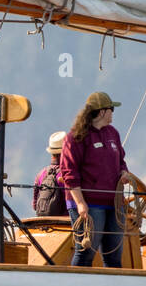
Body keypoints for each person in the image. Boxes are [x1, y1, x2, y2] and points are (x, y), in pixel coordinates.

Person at [59, 91, 136, 268]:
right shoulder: (75, 137)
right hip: (89, 204)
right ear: (102, 112)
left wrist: (124, 173)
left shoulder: (113, 133)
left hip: (113, 204)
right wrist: (80, 203)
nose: (113, 113)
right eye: (111, 109)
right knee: (85, 252)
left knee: (114, 257)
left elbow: (121, 161)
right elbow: (69, 172)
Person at [33, 131, 69, 217]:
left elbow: (34, 205)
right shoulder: (68, 174)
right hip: (66, 221)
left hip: (44, 221)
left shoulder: (41, 174)